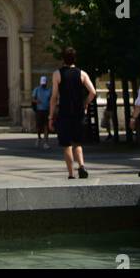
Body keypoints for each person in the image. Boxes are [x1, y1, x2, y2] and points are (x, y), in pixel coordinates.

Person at [48, 47, 96, 180]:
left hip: (64, 112)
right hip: (79, 113)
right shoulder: (82, 74)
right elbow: (93, 92)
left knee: (66, 144)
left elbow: (54, 97)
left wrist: (51, 116)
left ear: (63, 59)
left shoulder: (57, 74)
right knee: (78, 143)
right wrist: (85, 103)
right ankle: (81, 166)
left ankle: (71, 173)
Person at [31, 75, 52, 148]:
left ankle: (45, 142)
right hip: (39, 110)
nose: (43, 84)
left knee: (46, 127)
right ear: (40, 83)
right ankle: (39, 137)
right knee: (39, 127)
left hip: (46, 110)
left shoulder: (49, 90)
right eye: (42, 83)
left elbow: (51, 99)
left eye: (44, 83)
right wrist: (37, 101)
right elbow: (33, 99)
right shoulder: (36, 90)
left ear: (46, 83)